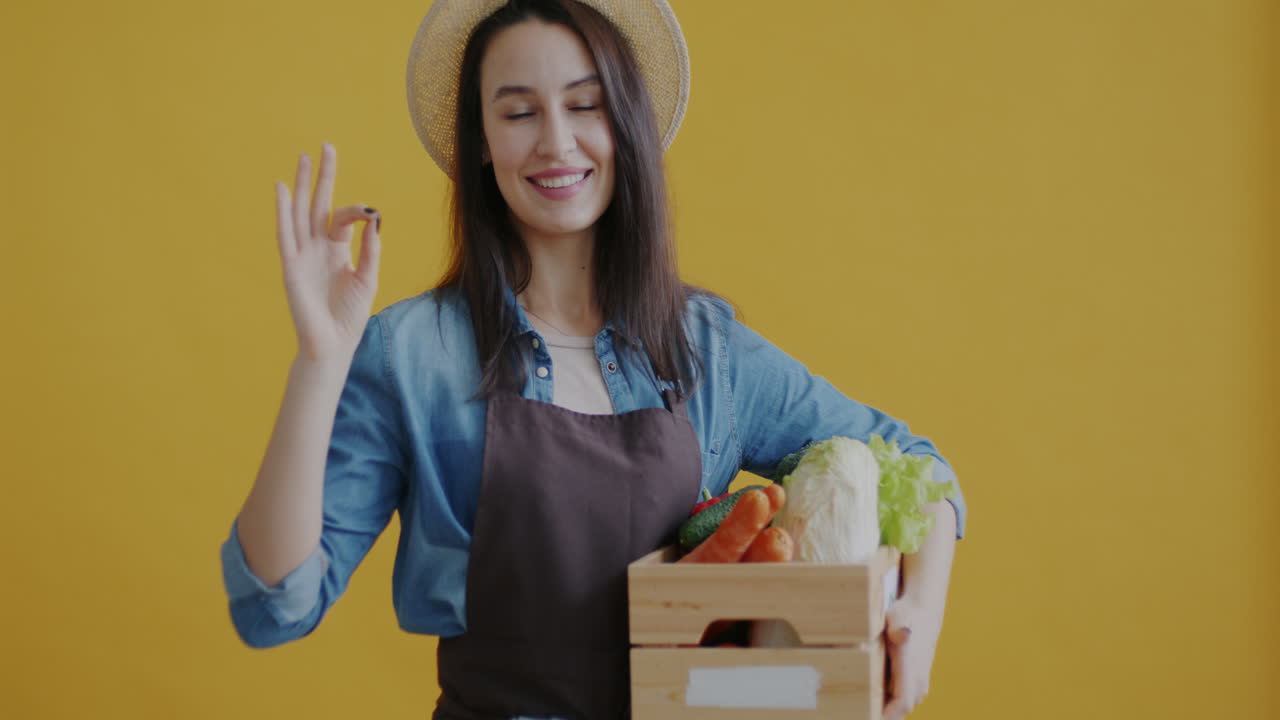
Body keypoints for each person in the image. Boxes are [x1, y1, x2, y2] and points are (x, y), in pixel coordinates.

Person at [219, 1, 967, 718]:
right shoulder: (409, 355)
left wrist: (917, 621)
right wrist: (320, 361)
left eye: (585, 104)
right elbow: (273, 606)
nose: (556, 142)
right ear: (480, 140)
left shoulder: (706, 348)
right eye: (518, 112)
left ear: (625, 122)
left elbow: (923, 472)